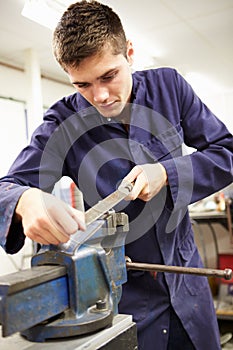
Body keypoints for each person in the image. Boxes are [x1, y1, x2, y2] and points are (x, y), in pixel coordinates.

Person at [0, 1, 232, 348]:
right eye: (83, 85)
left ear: (130, 53)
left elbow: (226, 153)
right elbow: (7, 188)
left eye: (109, 76)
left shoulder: (169, 87)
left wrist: (167, 172)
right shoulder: (62, 124)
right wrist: (24, 200)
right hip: (123, 303)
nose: (101, 95)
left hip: (189, 288)